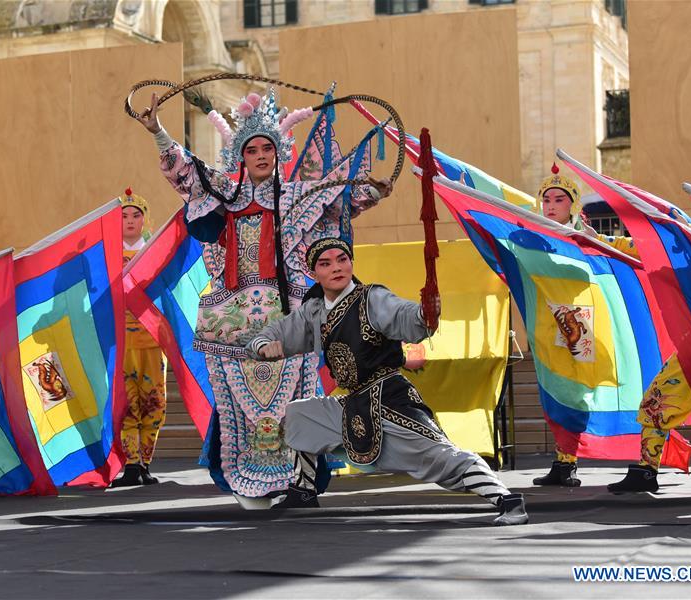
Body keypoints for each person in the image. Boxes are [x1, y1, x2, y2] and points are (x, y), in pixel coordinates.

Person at [131, 90, 390, 506]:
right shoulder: (223, 195)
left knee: (298, 398)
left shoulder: (295, 196)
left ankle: (299, 483)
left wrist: (373, 192)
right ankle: (245, 482)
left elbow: (339, 203)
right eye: (252, 149)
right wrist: (158, 131)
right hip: (232, 317)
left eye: (268, 147)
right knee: (237, 401)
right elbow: (185, 174)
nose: (260, 155)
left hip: (288, 314)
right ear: (241, 156)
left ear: (278, 151)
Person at [244, 237, 529, 524]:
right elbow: (276, 333)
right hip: (354, 402)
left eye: (342, 260)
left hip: (390, 398)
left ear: (351, 263)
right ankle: (303, 492)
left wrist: (424, 313)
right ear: (314, 273)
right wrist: (263, 347)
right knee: (301, 414)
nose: (336, 268)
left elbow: (403, 314)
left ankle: (507, 500)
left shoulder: (372, 298)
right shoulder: (315, 311)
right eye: (325, 263)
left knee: (441, 459)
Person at [607, 158, 691, 493]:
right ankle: (646, 471)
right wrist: (602, 241)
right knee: (656, 401)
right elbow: (646, 246)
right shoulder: (686, 240)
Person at [530, 164, 585, 487]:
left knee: (574, 393)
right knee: (552, 392)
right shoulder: (532, 236)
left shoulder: (584, 237)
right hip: (544, 323)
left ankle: (570, 462)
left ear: (572, 205)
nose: (550, 205)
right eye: (546, 199)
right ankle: (563, 462)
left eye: (559, 199)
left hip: (577, 323)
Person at [112, 188, 167, 487]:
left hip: (151, 338)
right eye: (124, 216)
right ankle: (131, 464)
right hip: (120, 341)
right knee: (126, 401)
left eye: (136, 215)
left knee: (153, 401)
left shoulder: (155, 253)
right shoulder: (107, 257)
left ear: (145, 221)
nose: (130, 221)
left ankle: (145, 462)